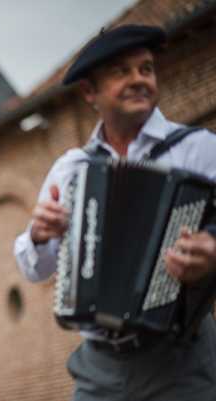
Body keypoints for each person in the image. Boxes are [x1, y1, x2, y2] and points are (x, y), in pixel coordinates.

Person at [14, 24, 216, 401]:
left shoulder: (198, 150)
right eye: (121, 72)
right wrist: (40, 236)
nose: (138, 79)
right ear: (90, 92)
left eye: (146, 68)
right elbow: (34, 268)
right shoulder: (72, 168)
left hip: (182, 360)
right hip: (99, 367)